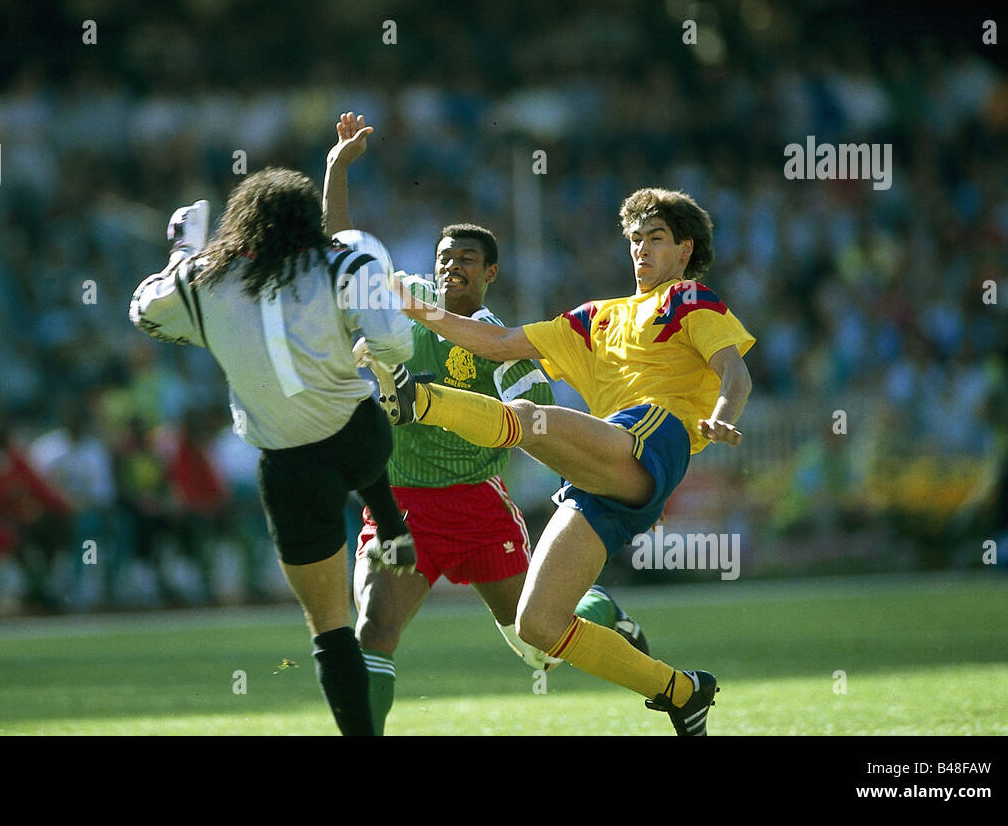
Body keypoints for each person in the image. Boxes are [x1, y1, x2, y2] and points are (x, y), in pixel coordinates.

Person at [380, 187, 754, 735]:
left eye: (656, 239)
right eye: (634, 240)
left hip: (654, 437)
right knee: (538, 625)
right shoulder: (595, 317)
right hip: (604, 472)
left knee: (531, 418)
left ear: (684, 250)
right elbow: (500, 342)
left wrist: (724, 412)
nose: (642, 250)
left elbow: (733, 369)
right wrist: (413, 306)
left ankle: (420, 400)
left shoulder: (689, 300)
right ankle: (681, 690)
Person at [322, 112, 649, 735]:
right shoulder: (403, 302)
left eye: (468, 260)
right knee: (373, 629)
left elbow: (535, 425)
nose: (453, 268)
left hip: (477, 506)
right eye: (446, 258)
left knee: (537, 648)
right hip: (401, 505)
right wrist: (337, 167)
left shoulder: (501, 345)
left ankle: (604, 614)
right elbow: (340, 254)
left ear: (490, 272)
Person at [128, 164, 416, 736]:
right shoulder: (343, 261)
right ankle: (391, 521)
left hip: (288, 462)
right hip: (361, 437)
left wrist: (185, 251)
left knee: (329, 627)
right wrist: (363, 328)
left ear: (239, 223)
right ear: (310, 222)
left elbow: (144, 311)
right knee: (365, 431)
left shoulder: (205, 279)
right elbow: (394, 341)